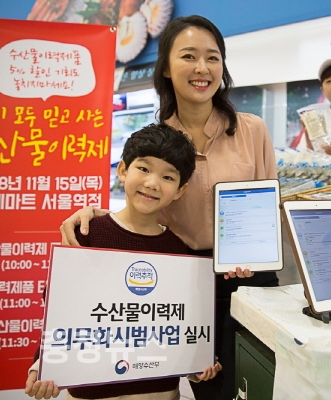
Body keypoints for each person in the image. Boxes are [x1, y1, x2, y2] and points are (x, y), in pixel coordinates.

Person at [59, 15, 279, 400]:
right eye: (189, 56)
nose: (202, 68)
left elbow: (269, 207)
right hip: (186, 283)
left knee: (261, 387)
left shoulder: (252, 129)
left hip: (252, 281)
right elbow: (146, 204)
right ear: (165, 67)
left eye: (212, 58)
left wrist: (258, 252)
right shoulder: (160, 140)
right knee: (211, 389)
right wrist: (98, 215)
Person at [25, 124, 221, 400]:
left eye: (167, 176)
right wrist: (43, 363)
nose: (152, 183)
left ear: (180, 190)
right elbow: (61, 308)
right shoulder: (89, 234)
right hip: (91, 392)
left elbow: (183, 321)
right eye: (144, 168)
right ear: (122, 170)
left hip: (159, 392)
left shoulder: (178, 250)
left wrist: (198, 362)